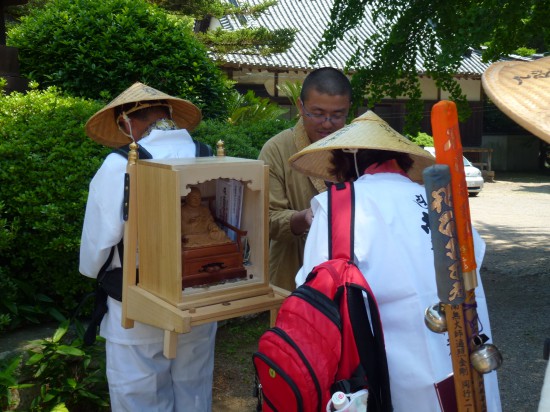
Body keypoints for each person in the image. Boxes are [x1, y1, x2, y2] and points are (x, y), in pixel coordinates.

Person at [289, 110, 502, 411]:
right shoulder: (441, 199)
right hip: (470, 349)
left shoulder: (340, 205)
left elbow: (313, 297)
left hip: (396, 367)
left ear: (347, 158)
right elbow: (474, 256)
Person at [79, 82, 217, 412]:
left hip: (138, 299)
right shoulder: (206, 154)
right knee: (194, 390)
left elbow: (96, 249)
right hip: (200, 292)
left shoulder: (119, 164)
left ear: (128, 121)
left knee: (140, 396)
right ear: (168, 115)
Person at [258, 67, 352, 291]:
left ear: (348, 109)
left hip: (350, 269)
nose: (327, 123)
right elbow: (266, 218)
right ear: (300, 106)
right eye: (317, 113)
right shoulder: (277, 149)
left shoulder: (359, 149)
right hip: (292, 268)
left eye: (337, 115)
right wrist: (305, 217)